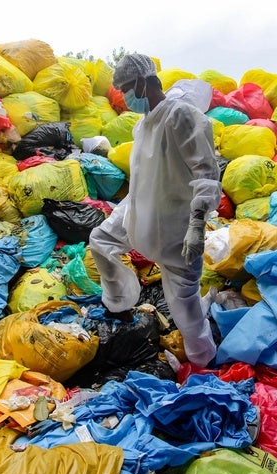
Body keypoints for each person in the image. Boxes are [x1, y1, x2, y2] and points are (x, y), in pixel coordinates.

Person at [88, 53, 221, 367]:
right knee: (100, 240)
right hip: (140, 212)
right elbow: (145, 179)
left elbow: (207, 177)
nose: (123, 96)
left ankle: (205, 362)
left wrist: (196, 228)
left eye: (124, 87)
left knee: (184, 311)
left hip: (176, 231)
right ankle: (121, 302)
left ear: (143, 82)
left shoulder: (182, 117)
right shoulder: (144, 125)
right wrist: (125, 209)